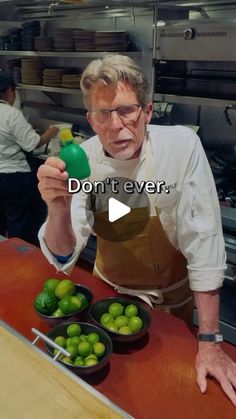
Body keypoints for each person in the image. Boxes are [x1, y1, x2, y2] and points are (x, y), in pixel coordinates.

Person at [37, 55, 236, 405]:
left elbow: (204, 241)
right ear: (91, 120)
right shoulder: (81, 161)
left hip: (172, 306)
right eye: (103, 114)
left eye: (127, 110)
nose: (116, 125)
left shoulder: (181, 147)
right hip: (107, 304)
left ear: (147, 112)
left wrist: (210, 342)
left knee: (173, 397)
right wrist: (58, 209)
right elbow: (63, 256)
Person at [0, 71, 58, 243]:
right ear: (9, 91)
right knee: (19, 221)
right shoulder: (11, 114)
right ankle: (20, 259)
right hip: (13, 177)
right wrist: (50, 132)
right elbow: (32, 143)